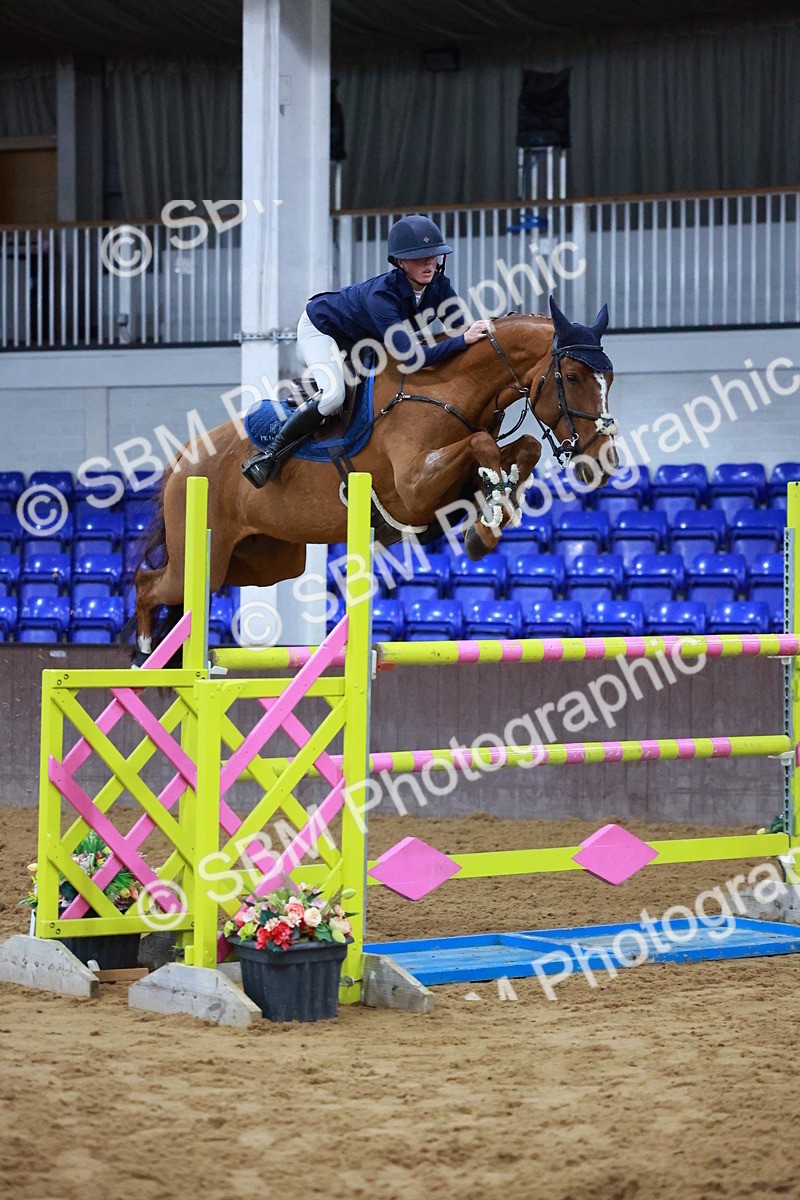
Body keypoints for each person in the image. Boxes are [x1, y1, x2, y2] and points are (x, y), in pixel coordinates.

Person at [242, 214, 491, 487]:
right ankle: (270, 455)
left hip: (367, 339)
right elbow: (412, 357)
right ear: (401, 262)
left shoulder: (440, 286)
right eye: (420, 258)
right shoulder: (382, 297)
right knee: (334, 396)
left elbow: (461, 330)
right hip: (323, 331)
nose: (429, 263)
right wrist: (462, 340)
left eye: (433, 256)